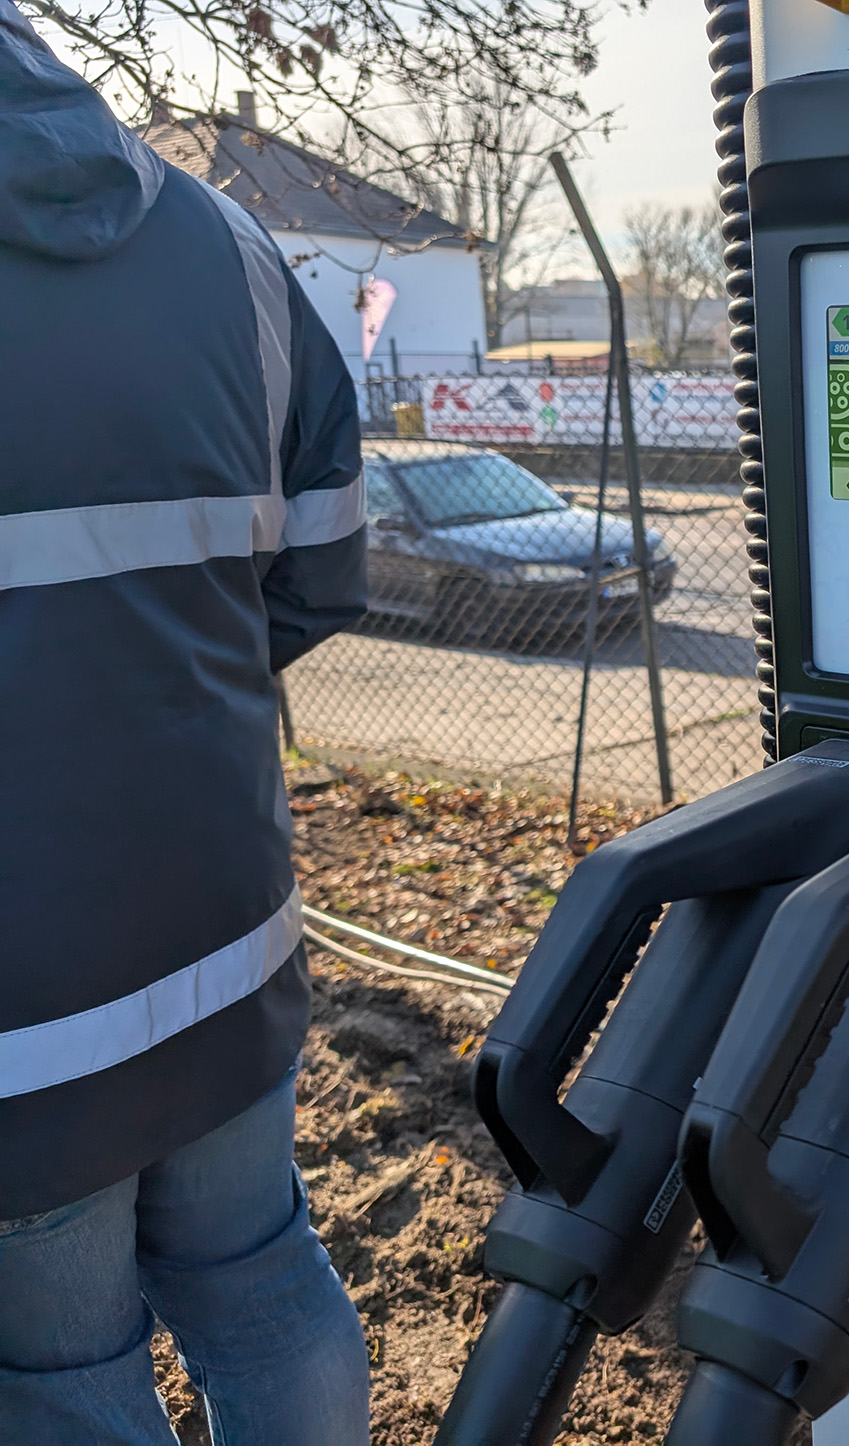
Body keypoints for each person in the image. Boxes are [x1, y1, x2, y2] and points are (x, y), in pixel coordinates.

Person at [0, 4, 372, 1440]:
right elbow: (323, 571)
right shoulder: (233, 248)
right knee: (264, 1281)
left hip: (25, 1032)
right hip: (226, 940)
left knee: (63, 1381)